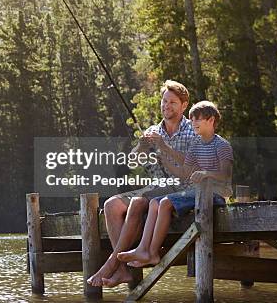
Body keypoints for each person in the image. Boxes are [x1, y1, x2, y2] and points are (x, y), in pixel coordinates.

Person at [88, 80, 196, 287]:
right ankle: (122, 271)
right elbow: (132, 162)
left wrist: (163, 147)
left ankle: (111, 264)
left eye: (172, 102)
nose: (166, 106)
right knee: (111, 205)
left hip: (181, 189)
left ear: (184, 106)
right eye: (164, 101)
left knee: (138, 201)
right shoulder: (153, 130)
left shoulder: (192, 131)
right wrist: (141, 147)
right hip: (156, 189)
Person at [117, 101, 233, 267]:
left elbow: (225, 174)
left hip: (216, 195)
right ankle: (144, 250)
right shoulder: (195, 145)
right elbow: (184, 172)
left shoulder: (222, 145)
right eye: (192, 120)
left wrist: (206, 173)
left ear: (211, 120)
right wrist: (163, 156)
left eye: (198, 119)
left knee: (165, 202)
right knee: (154, 203)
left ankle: (152, 252)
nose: (193, 123)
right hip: (197, 193)